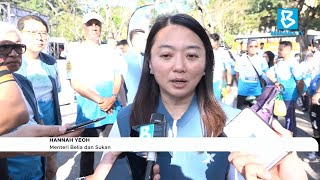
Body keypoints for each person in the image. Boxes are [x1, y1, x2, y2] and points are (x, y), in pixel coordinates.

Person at [108, 13, 307, 180]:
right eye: (166, 55)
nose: (179, 67)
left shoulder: (235, 124)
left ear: (206, 65)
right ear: (150, 63)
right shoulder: (126, 119)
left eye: (192, 55)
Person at [68, 12, 125, 177]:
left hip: (112, 110)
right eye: (90, 24)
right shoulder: (75, 52)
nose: (94, 27)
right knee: (87, 155)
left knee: (116, 152)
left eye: (97, 24)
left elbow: (117, 76)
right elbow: (75, 83)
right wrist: (101, 101)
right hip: (88, 114)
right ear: (84, 28)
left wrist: (114, 98)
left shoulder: (110, 51)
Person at [267, 41, 304, 136]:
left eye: (280, 49)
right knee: (274, 116)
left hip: (289, 96)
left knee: (289, 119)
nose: (278, 51)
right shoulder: (279, 62)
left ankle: (291, 139)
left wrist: (300, 94)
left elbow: (300, 81)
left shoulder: (293, 63)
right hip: (278, 95)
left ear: (288, 50)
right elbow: (270, 74)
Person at [235, 39, 269, 109]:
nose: (253, 48)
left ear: (258, 47)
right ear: (247, 47)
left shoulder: (261, 60)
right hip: (243, 93)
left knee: (256, 115)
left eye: (255, 46)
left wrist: (275, 82)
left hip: (256, 92)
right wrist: (242, 85)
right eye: (251, 46)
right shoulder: (241, 59)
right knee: (241, 115)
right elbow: (237, 74)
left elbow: (268, 73)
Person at [121, 29, 147, 104]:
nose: (147, 43)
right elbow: (119, 85)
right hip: (132, 103)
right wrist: (124, 104)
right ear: (134, 42)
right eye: (144, 40)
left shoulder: (146, 57)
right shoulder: (124, 59)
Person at [209, 33, 233, 101]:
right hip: (208, 82)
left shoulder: (223, 53)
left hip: (219, 83)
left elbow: (228, 69)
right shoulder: (207, 52)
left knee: (217, 103)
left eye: (210, 41)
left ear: (216, 42)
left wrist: (228, 84)